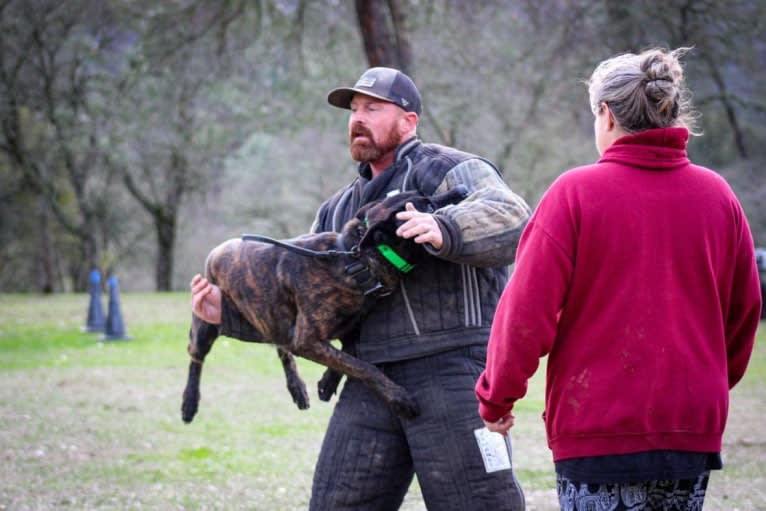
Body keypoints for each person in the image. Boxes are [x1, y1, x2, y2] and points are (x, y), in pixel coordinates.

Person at [191, 66, 531, 510]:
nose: (358, 119)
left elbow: (514, 219)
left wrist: (443, 225)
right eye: (353, 110)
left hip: (452, 372)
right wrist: (229, 317)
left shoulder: (450, 171)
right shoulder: (336, 211)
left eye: (373, 108)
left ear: (409, 121)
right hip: (370, 380)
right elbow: (303, 321)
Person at [475, 47, 762, 510]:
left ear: (606, 115)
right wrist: (699, 389)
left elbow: (525, 315)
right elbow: (744, 313)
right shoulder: (718, 196)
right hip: (688, 428)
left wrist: (497, 399)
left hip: (597, 430)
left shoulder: (575, 194)